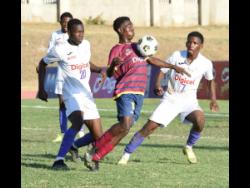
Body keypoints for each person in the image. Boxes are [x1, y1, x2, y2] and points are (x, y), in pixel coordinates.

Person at [83, 16, 190, 171]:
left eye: (132, 26)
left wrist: (173, 67)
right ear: (120, 30)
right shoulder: (117, 49)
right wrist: (113, 65)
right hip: (125, 91)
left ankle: (96, 156)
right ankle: (94, 147)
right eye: (128, 27)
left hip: (139, 94)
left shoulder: (138, 47)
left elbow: (152, 60)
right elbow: (112, 74)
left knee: (125, 129)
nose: (132, 29)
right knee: (125, 124)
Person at [117, 31, 219, 165]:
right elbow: (163, 70)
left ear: (201, 46)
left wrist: (213, 99)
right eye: (189, 42)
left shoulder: (205, 63)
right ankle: (126, 154)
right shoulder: (176, 55)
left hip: (189, 102)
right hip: (171, 99)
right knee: (149, 127)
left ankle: (188, 147)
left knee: (200, 120)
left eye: (195, 43)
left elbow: (211, 80)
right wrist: (158, 84)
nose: (191, 45)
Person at [37, 18, 106, 170]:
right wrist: (41, 89)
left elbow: (86, 63)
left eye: (83, 31)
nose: (81, 35)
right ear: (69, 32)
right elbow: (42, 64)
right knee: (78, 121)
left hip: (86, 93)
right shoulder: (60, 49)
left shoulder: (86, 45)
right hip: (71, 94)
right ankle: (59, 160)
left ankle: (75, 146)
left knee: (99, 136)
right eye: (77, 32)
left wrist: (99, 69)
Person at [46, 12, 85, 143]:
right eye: (63, 22)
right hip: (61, 73)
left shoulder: (78, 37)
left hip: (75, 74)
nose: (65, 24)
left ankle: (80, 131)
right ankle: (63, 132)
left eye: (68, 22)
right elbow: (50, 53)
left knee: (80, 102)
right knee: (62, 104)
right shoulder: (55, 35)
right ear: (60, 22)